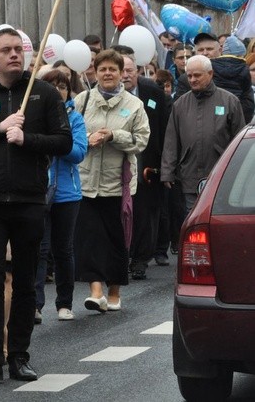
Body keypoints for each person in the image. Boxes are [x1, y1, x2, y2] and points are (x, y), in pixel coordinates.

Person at [0, 27, 72, 384]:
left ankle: (20, 355)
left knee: (24, 282)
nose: (14, 54)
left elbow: (64, 142)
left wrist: (27, 139)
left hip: (29, 200)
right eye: (5, 50)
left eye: (18, 49)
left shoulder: (43, 94)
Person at [73, 50, 150, 314]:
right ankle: (96, 292)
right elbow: (69, 134)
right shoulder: (82, 100)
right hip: (86, 182)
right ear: (95, 71)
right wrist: (88, 137)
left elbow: (141, 140)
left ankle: (114, 291)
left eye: (113, 69)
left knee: (117, 240)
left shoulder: (134, 105)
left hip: (118, 185)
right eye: (103, 69)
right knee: (90, 239)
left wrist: (113, 136)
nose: (107, 74)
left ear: (121, 73)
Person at [161, 55, 245, 212]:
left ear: (210, 74)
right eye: (190, 75)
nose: (192, 80)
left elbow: (239, 140)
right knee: (194, 220)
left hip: (222, 177)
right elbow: (171, 141)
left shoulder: (229, 101)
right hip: (189, 176)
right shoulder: (180, 105)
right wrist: (167, 172)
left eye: (197, 75)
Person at [35, 70, 87, 321]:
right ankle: (35, 304)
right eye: (52, 85)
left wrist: (54, 141)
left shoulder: (75, 118)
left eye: (63, 86)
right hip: (38, 190)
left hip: (67, 193)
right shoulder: (35, 116)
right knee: (39, 248)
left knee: (63, 249)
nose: (58, 90)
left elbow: (78, 152)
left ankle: (64, 303)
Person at [118, 56, 168, 280]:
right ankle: (121, 257)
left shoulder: (153, 93)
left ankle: (140, 260)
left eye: (130, 70)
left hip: (147, 165)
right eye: (122, 71)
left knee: (145, 214)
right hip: (118, 164)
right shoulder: (107, 96)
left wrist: (164, 164)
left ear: (138, 71)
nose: (126, 75)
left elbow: (164, 129)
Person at [176, 34, 254, 123]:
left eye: (209, 49)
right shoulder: (187, 78)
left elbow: (248, 105)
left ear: (220, 50)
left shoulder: (238, 73)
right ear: (195, 53)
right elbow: (179, 110)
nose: (205, 53)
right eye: (201, 50)